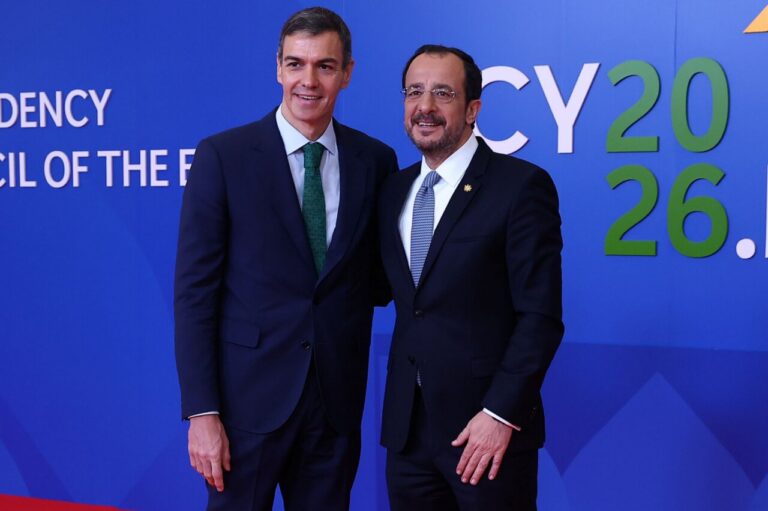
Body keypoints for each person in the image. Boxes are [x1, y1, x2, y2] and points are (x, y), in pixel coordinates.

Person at [173, 7, 397, 510]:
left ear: (348, 72)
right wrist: (202, 412)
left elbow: (378, 281)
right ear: (277, 67)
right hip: (243, 410)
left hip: (334, 408)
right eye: (296, 64)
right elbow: (194, 294)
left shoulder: (375, 162)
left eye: (325, 65)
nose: (308, 81)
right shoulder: (223, 157)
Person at [378, 44, 564, 510]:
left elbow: (540, 317)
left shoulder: (520, 186)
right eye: (414, 92)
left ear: (472, 109)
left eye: (443, 93)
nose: (425, 107)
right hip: (408, 437)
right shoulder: (393, 190)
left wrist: (500, 413)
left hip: (485, 436)